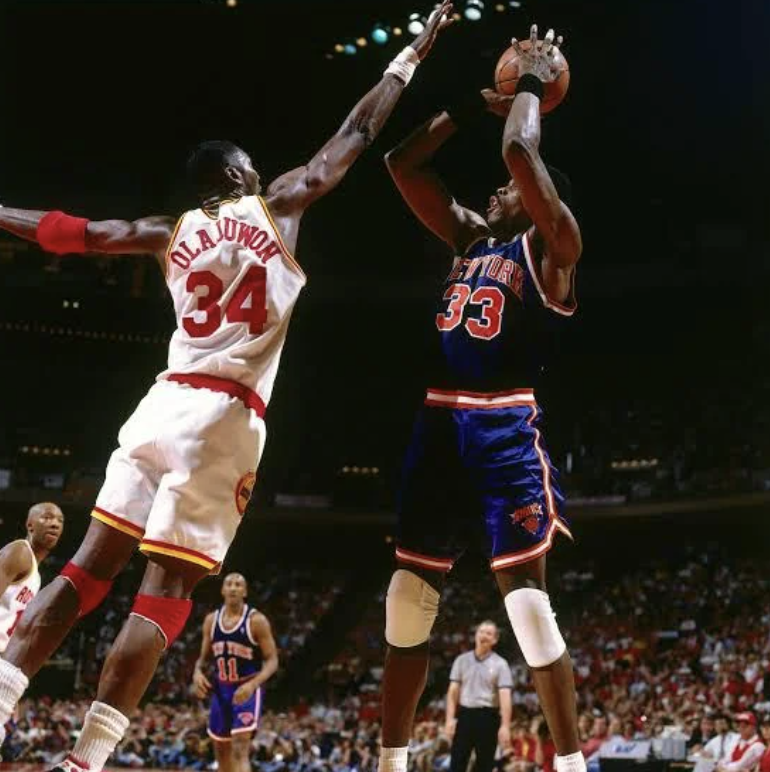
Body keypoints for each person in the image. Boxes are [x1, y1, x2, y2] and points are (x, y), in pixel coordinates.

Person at [0, 6, 453, 770]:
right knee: (162, 596)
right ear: (241, 177)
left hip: (159, 403)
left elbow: (74, 232)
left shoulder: (169, 230)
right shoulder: (277, 205)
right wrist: (409, 58)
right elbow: (357, 133)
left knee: (84, 569)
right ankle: (84, 762)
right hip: (225, 416)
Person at [376, 23, 583, 772]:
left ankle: (570, 764)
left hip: (502, 425)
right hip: (438, 421)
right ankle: (391, 761)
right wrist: (475, 100)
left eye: (512, 193)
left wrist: (531, 84)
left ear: (538, 203)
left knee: (527, 609)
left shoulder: (554, 247)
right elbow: (402, 163)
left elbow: (521, 155)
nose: (497, 190)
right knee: (406, 600)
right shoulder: (468, 240)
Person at [193, 573, 278, 772]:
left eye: (238, 585)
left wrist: (252, 685)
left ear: (245, 592)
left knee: (240, 748)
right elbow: (202, 660)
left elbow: (273, 660)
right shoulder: (211, 621)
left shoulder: (256, 621)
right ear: (222, 590)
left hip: (246, 688)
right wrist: (196, 673)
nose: (233, 588)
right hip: (221, 688)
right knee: (221, 750)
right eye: (229, 584)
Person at [443, 621, 512, 772]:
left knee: (485, 764)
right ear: (475, 635)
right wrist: (449, 719)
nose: (484, 636)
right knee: (457, 762)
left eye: (488, 633)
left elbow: (505, 697)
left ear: (495, 640)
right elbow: (452, 692)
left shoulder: (501, 664)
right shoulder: (461, 660)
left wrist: (505, 726)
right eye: (481, 631)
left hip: (488, 717)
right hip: (465, 715)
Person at [0, 503, 64, 653]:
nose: (55, 524)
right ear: (30, 526)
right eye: (47, 518)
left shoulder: (36, 575)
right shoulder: (20, 552)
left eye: (60, 521)